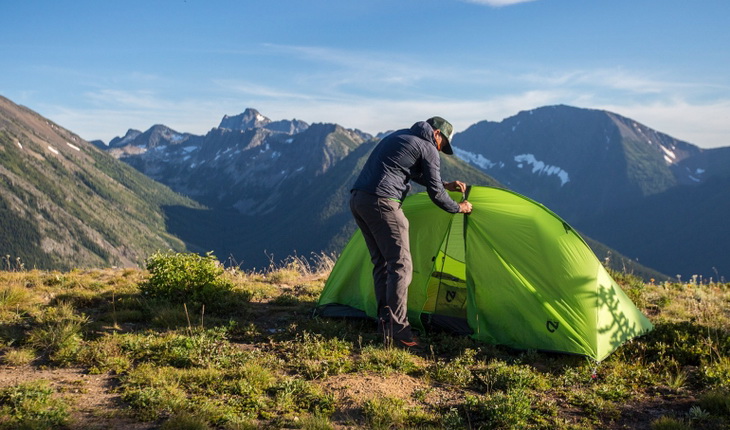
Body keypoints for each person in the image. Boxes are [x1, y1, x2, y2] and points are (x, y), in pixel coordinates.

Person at [349, 116, 473, 349]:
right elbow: (436, 194)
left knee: (383, 264)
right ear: (436, 133)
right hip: (383, 202)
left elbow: (412, 172)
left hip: (359, 199)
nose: (440, 148)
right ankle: (398, 332)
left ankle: (385, 324)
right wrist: (459, 207)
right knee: (401, 265)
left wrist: (444, 183)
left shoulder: (399, 136)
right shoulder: (427, 146)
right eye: (442, 143)